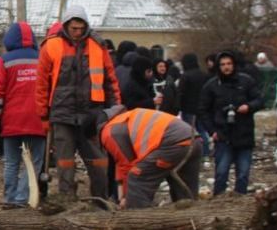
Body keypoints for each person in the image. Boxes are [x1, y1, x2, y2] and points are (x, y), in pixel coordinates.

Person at [36, 4, 120, 199]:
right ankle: (67, 199)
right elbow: (41, 84)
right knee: (65, 163)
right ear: (66, 25)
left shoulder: (97, 45)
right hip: (62, 114)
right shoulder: (51, 46)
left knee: (98, 162)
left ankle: (100, 199)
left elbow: (110, 80)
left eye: (81, 29)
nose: (78, 32)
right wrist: (43, 116)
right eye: (74, 28)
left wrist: (115, 110)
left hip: (91, 114)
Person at [0, 21, 46, 207]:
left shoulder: (5, 61)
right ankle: (23, 198)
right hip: (37, 119)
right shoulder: (42, 58)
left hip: (11, 120)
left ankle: (9, 197)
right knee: (34, 162)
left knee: (11, 162)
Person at [98, 106, 202, 209]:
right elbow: (121, 163)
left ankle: (137, 215)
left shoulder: (109, 132)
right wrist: (122, 189)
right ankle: (189, 213)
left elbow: (126, 165)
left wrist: (126, 197)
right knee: (183, 186)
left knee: (137, 177)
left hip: (173, 144)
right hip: (194, 139)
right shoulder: (125, 118)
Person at [198, 51, 264, 195]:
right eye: (222, 64)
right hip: (223, 134)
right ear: (218, 66)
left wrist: (249, 107)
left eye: (229, 64)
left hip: (244, 133)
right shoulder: (211, 85)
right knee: (221, 173)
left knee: (243, 174)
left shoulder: (246, 81)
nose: (226, 67)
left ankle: (240, 199)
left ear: (234, 65)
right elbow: (203, 110)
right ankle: (219, 200)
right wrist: (212, 131)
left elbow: (259, 99)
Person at [178, 52, 212, 154]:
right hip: (201, 109)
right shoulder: (204, 75)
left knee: (190, 132)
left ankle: (193, 152)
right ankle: (205, 151)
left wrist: (178, 106)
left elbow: (181, 93)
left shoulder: (185, 76)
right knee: (202, 130)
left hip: (188, 109)